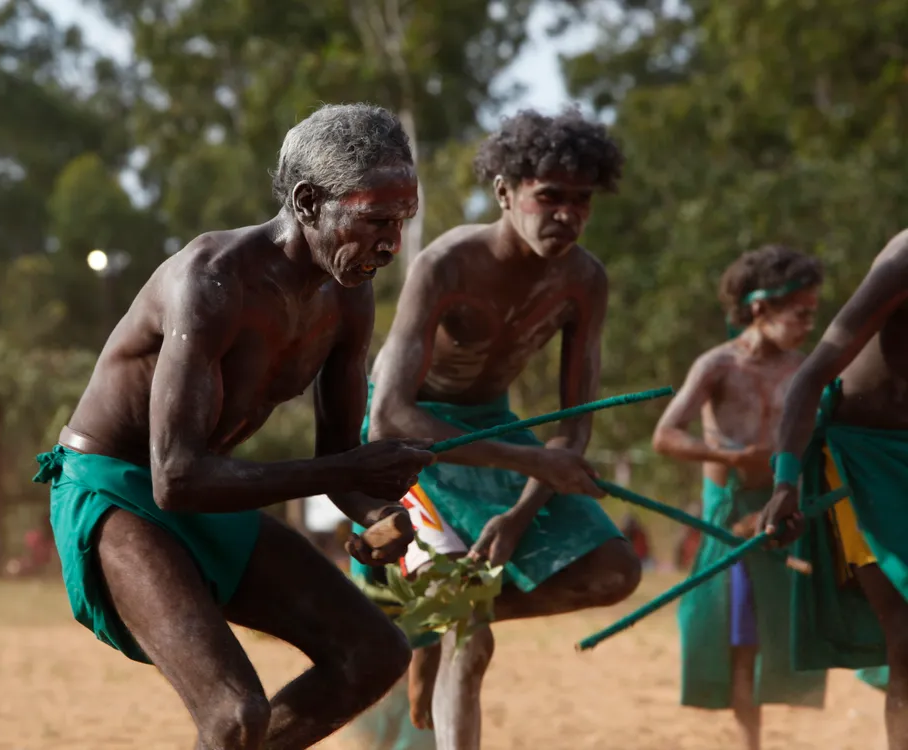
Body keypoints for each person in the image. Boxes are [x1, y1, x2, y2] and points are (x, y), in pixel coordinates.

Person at [31, 102, 437, 750]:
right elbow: (176, 479)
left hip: (204, 491)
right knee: (234, 715)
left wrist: (376, 510)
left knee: (375, 653)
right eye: (375, 221)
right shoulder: (212, 280)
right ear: (308, 202)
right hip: (117, 490)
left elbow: (340, 456)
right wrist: (348, 472)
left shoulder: (349, 294)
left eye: (402, 222)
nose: (391, 244)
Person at [358, 107, 641, 749]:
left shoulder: (585, 281)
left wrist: (517, 516)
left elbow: (573, 430)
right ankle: (445, 622)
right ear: (505, 192)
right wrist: (533, 465)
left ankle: (426, 623)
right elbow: (388, 415)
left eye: (581, 200)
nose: (566, 214)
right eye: (550, 196)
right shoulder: (446, 264)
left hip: (496, 434)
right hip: (408, 446)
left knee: (614, 570)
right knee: (471, 633)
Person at [651, 245, 828, 749]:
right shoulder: (717, 365)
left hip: (786, 509)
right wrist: (733, 458)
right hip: (728, 516)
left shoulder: (805, 369)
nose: (808, 326)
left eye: (813, 314)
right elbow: (666, 436)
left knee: (784, 633)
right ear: (759, 309)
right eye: (800, 314)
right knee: (740, 641)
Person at [755, 228, 908, 750]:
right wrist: (784, 482)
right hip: (862, 460)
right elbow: (812, 376)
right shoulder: (905, 258)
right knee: (907, 635)